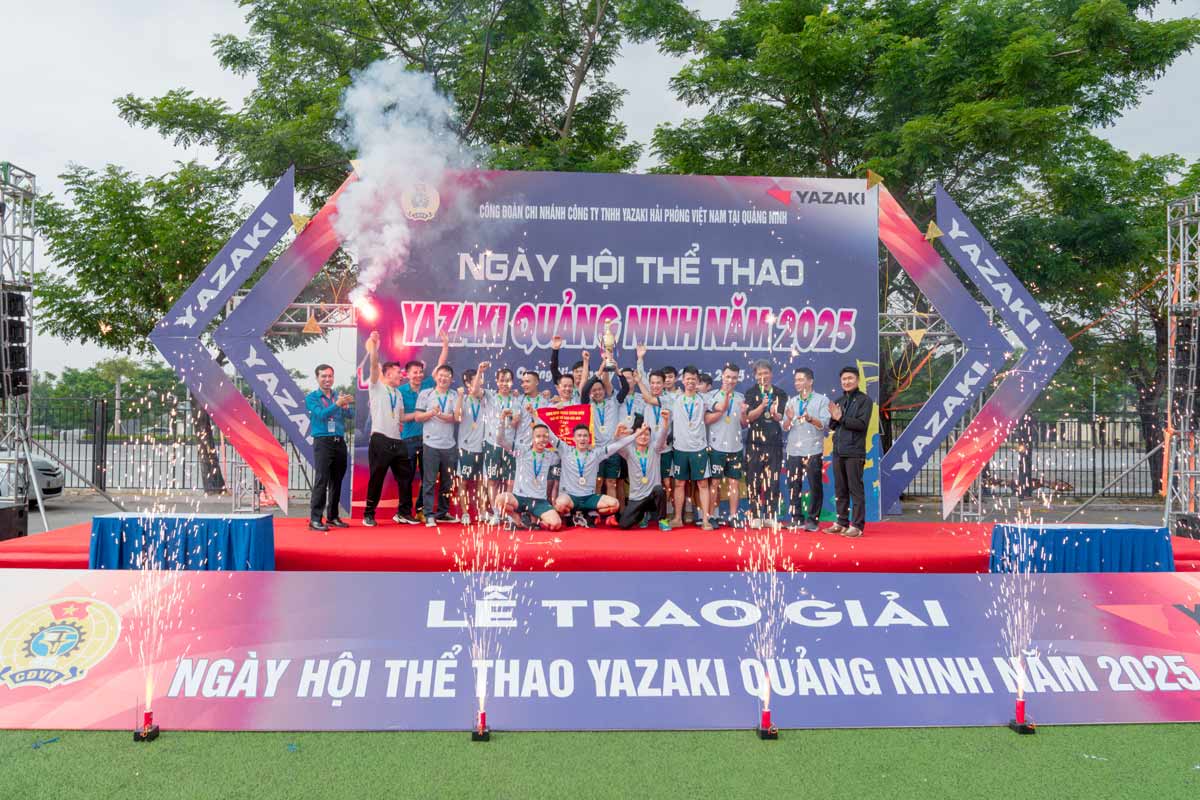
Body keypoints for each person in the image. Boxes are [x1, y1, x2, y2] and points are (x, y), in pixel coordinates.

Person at [641, 365, 714, 530]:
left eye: (693, 379)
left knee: (702, 484)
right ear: (683, 380)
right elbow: (650, 399)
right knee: (679, 484)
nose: (690, 382)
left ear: (697, 381)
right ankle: (677, 518)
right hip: (680, 448)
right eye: (687, 378)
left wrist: (712, 415)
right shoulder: (674, 399)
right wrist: (639, 380)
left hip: (699, 448)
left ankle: (705, 520)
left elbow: (719, 410)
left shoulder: (705, 399)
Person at [394, 331, 451, 524]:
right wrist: (420, 414)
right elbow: (400, 417)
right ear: (407, 374)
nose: (418, 375)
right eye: (414, 372)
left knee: (428, 478)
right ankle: (403, 512)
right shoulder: (400, 391)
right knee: (407, 478)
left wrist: (445, 345)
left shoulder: (428, 384)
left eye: (420, 372)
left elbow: (440, 367)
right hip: (408, 439)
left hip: (427, 441)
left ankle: (420, 510)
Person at [363, 331, 417, 527]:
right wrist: (375, 346)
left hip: (397, 441)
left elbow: (402, 417)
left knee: (405, 478)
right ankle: (368, 514)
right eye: (398, 371)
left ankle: (403, 513)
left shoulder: (399, 394)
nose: (401, 375)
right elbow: (373, 365)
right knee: (377, 478)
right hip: (380, 439)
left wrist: (423, 415)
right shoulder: (376, 386)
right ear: (387, 373)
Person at [549, 422, 633, 527]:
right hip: (570, 497)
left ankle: (590, 512)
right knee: (559, 504)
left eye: (585, 436)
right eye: (579, 436)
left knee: (615, 505)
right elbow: (549, 434)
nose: (582, 438)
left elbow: (617, 445)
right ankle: (570, 514)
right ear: (574, 439)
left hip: (589, 497)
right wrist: (535, 416)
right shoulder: (565, 450)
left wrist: (637, 435)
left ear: (589, 438)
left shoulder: (596, 454)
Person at [781, 367, 831, 532]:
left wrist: (810, 418)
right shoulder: (792, 401)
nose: (797, 383)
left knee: (815, 486)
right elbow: (785, 427)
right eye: (796, 380)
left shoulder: (822, 401)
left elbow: (824, 425)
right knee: (793, 485)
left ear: (810, 381)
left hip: (813, 449)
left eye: (801, 380)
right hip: (793, 450)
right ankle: (796, 518)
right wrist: (788, 419)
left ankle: (812, 520)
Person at [305, 364, 354, 530]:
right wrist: (338, 404)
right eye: (323, 376)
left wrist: (347, 407)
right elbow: (321, 414)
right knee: (322, 480)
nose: (327, 379)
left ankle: (333, 516)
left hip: (339, 440)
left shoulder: (337, 396)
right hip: (323, 441)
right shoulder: (312, 397)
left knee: (337, 480)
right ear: (317, 378)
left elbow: (350, 416)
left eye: (330, 376)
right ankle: (315, 519)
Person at [494, 417, 563, 530]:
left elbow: (563, 448)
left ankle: (536, 519)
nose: (542, 439)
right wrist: (502, 419)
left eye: (545, 436)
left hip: (539, 501)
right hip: (520, 498)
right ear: (532, 438)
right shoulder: (521, 450)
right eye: (538, 436)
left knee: (556, 524)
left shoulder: (551, 456)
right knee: (500, 499)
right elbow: (500, 440)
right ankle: (517, 520)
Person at [828, 366, 873, 537]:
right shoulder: (840, 400)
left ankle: (858, 526)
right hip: (838, 451)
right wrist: (833, 417)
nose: (846, 382)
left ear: (857, 380)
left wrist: (841, 418)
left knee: (855, 489)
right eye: (844, 379)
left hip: (854, 452)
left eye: (850, 378)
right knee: (840, 489)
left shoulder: (865, 401)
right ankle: (841, 522)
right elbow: (833, 426)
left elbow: (861, 425)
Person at [414, 364, 461, 527]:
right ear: (436, 377)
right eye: (441, 375)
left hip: (449, 445)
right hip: (430, 444)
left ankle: (442, 512)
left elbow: (457, 417)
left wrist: (441, 415)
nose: (443, 378)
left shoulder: (454, 395)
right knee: (429, 480)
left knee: (448, 482)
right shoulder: (426, 394)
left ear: (451, 379)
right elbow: (418, 417)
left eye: (447, 376)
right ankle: (428, 514)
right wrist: (431, 413)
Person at [744, 359, 788, 528]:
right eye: (759, 374)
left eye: (766, 373)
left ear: (771, 374)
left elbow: (780, 418)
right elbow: (749, 417)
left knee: (772, 480)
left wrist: (775, 414)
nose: (763, 376)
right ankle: (755, 515)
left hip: (774, 443)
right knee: (753, 479)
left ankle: (770, 516)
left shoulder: (780, 393)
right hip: (754, 442)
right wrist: (762, 406)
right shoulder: (750, 392)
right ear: (755, 376)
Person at [705, 363, 748, 527]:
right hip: (716, 447)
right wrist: (722, 409)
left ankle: (733, 516)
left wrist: (744, 413)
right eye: (728, 376)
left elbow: (744, 424)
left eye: (734, 377)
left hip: (735, 447)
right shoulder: (712, 396)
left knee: (734, 483)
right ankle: (712, 516)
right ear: (722, 376)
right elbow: (706, 420)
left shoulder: (740, 397)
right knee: (714, 483)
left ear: (738, 379)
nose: (730, 380)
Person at [614, 415, 672, 530]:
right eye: (640, 434)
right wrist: (617, 433)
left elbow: (662, 436)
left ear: (650, 437)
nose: (643, 437)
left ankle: (662, 520)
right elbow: (617, 445)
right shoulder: (629, 451)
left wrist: (665, 422)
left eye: (646, 434)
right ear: (634, 437)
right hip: (637, 497)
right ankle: (642, 514)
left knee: (659, 490)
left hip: (652, 495)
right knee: (623, 525)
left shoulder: (655, 449)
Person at [454, 362, 490, 525]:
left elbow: (477, 391)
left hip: (482, 447)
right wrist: (461, 397)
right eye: (478, 378)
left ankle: (482, 511)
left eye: (481, 378)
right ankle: (465, 513)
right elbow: (457, 417)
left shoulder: (485, 397)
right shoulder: (463, 398)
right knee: (464, 482)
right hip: (466, 448)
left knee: (482, 482)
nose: (481, 380)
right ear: (468, 383)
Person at [482, 367, 519, 523]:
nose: (505, 383)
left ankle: (509, 513)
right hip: (492, 445)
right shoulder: (489, 396)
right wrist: (479, 371)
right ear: (497, 381)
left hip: (510, 446)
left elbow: (516, 423)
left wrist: (509, 418)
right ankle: (496, 513)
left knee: (510, 481)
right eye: (502, 380)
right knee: (493, 480)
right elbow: (476, 389)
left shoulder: (517, 400)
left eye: (508, 381)